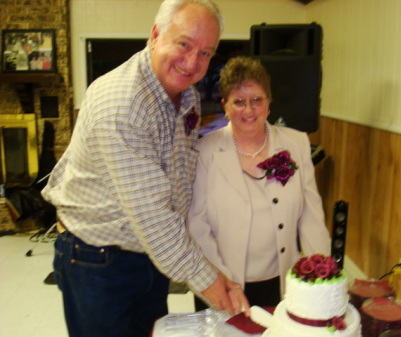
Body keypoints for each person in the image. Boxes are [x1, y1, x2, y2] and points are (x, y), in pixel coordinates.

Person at [41, 1, 249, 337]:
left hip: (151, 257)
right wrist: (212, 285)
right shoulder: (121, 104)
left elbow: (179, 183)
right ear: (155, 35)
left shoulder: (187, 96)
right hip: (97, 259)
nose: (193, 62)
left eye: (206, 53)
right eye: (184, 44)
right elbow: (154, 219)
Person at [187, 56, 331, 310]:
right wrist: (220, 282)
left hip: (281, 280)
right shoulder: (205, 151)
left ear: (269, 101)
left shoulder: (295, 143)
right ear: (225, 106)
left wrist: (320, 273)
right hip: (223, 281)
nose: (249, 110)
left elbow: (311, 214)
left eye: (256, 100)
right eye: (239, 102)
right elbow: (198, 225)